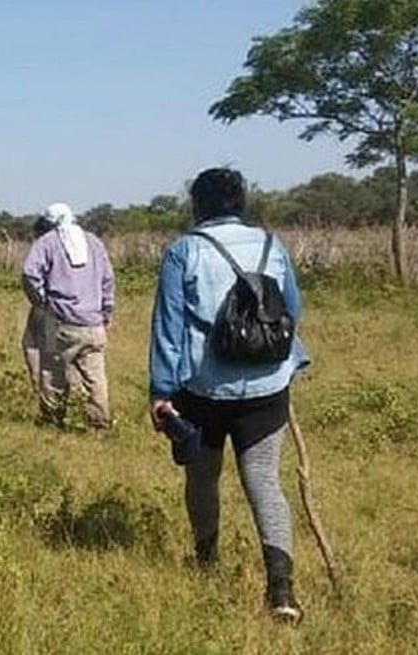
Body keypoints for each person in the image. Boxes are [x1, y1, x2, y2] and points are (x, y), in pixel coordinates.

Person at [148, 167, 310, 622]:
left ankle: (206, 559)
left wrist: (162, 392)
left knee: (202, 476)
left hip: (203, 389)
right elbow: (291, 310)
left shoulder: (184, 251)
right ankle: (281, 590)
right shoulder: (271, 245)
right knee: (264, 481)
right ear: (241, 202)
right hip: (267, 386)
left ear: (196, 205)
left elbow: (168, 327)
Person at [21, 202, 116, 432]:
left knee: (52, 374)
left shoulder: (47, 242)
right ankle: (99, 424)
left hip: (57, 320)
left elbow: (29, 272)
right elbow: (108, 278)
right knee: (95, 377)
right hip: (93, 323)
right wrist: (107, 310)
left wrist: (42, 301)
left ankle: (53, 422)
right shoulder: (93, 242)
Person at [20, 216, 54, 405]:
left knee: (44, 353)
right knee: (35, 348)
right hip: (47, 309)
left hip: (46, 308)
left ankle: (45, 397)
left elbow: (29, 274)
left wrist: (39, 299)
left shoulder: (44, 246)